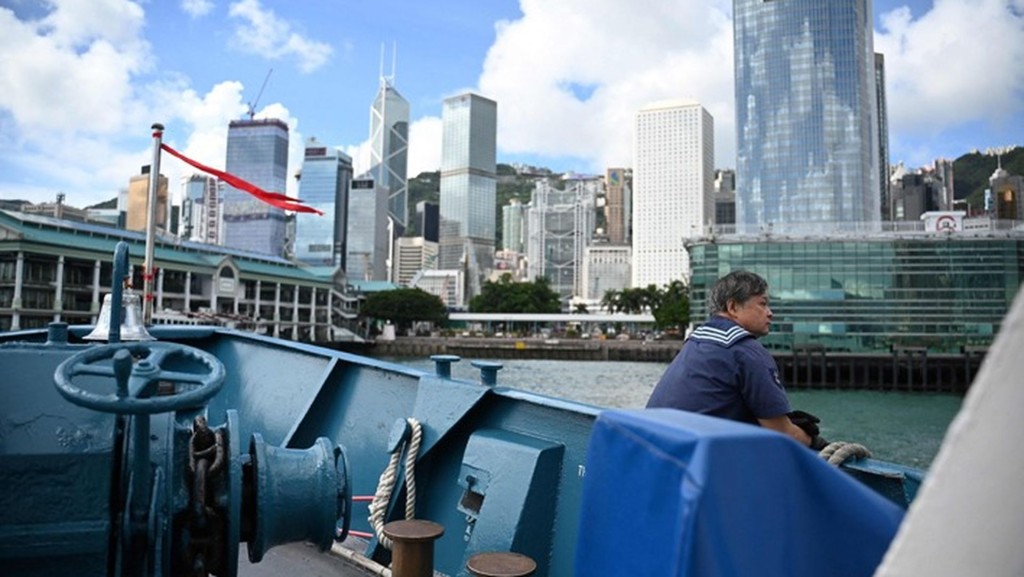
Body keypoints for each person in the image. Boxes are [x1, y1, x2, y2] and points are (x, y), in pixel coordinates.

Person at [646, 270, 827, 449]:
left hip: (659, 451)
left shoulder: (695, 342)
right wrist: (814, 440)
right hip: (696, 460)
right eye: (762, 304)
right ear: (733, 307)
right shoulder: (745, 350)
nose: (770, 313)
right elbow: (783, 433)